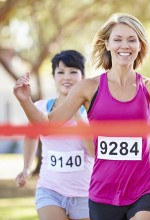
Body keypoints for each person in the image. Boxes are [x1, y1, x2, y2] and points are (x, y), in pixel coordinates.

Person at [13, 13, 150, 220]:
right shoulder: (88, 88)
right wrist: (25, 100)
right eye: (117, 39)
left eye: (132, 40)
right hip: (103, 193)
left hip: (145, 186)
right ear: (107, 44)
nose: (124, 45)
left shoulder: (149, 87)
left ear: (140, 45)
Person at [15, 50, 94, 220]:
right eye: (61, 72)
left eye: (73, 72)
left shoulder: (91, 112)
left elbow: (94, 152)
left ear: (83, 77)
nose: (67, 77)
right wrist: (27, 169)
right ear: (53, 76)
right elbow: (31, 136)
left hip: (84, 193)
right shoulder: (40, 107)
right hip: (50, 190)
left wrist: (74, 111)